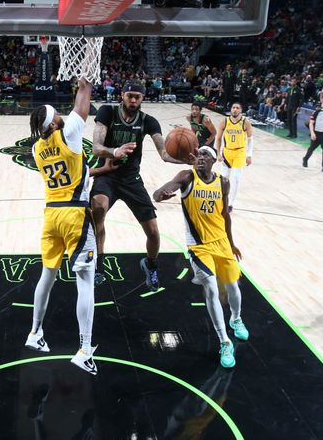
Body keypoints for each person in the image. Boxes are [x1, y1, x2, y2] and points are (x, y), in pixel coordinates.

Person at [25, 77, 116, 375]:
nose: (62, 116)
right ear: (53, 125)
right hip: (75, 216)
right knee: (85, 281)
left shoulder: (38, 149)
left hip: (51, 215)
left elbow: (77, 174)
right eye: (57, 115)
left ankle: (35, 333)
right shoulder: (70, 134)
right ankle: (85, 350)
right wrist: (86, 75)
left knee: (47, 276)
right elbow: (84, 99)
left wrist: (103, 166)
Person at [152, 146, 249, 368]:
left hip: (222, 242)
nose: (201, 158)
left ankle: (236, 319)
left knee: (233, 286)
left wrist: (232, 244)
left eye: (206, 155)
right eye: (199, 155)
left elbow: (225, 216)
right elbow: (157, 194)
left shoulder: (223, 182)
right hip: (198, 246)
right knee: (212, 289)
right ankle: (224, 342)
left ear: (215, 160)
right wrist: (163, 195)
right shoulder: (187, 176)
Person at [91, 82, 183, 290]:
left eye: (137, 97)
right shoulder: (107, 112)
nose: (133, 100)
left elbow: (165, 154)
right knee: (97, 209)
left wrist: (187, 159)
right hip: (107, 174)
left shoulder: (149, 121)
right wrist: (115, 151)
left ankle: (150, 265)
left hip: (131, 179)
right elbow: (97, 148)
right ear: (122, 95)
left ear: (142, 98)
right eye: (130, 96)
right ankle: (98, 266)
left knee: (153, 231)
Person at [213, 102, 254, 211]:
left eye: (237, 108)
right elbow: (218, 138)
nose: (235, 109)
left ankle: (230, 203)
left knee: (236, 179)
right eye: (233, 107)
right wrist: (218, 153)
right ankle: (222, 200)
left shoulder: (246, 122)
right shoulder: (224, 121)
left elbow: (250, 139)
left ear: (241, 110)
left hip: (239, 152)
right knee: (224, 177)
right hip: (226, 152)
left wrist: (249, 155)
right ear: (231, 109)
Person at [303, 98, 323, 173]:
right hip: (317, 134)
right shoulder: (317, 112)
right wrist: (312, 133)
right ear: (322, 103)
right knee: (311, 149)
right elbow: (311, 123)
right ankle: (305, 158)